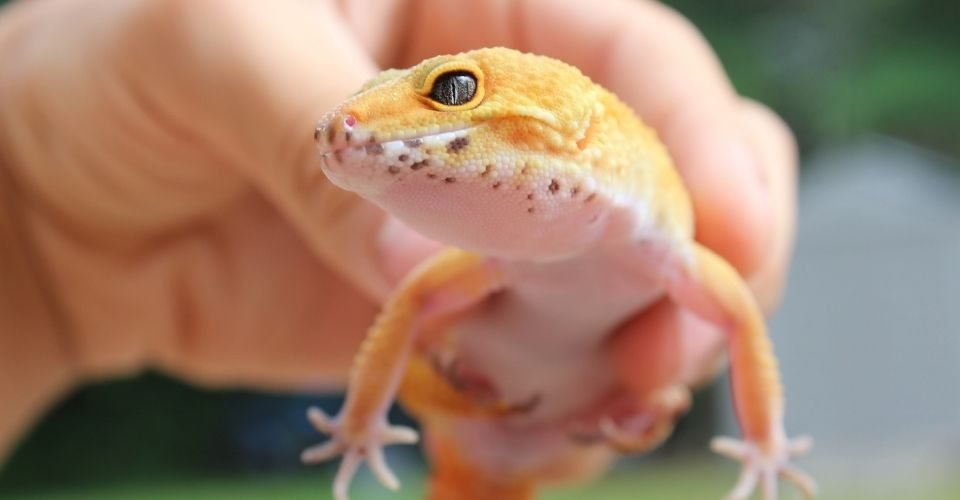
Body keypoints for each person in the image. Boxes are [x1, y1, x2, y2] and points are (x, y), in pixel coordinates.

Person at [0, 0, 796, 462]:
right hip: (477, 425)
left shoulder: (659, 247)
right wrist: (361, 422)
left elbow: (739, 325)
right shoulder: (487, 264)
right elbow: (407, 312)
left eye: (451, 90)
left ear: (577, 130)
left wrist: (765, 446)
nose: (338, 123)